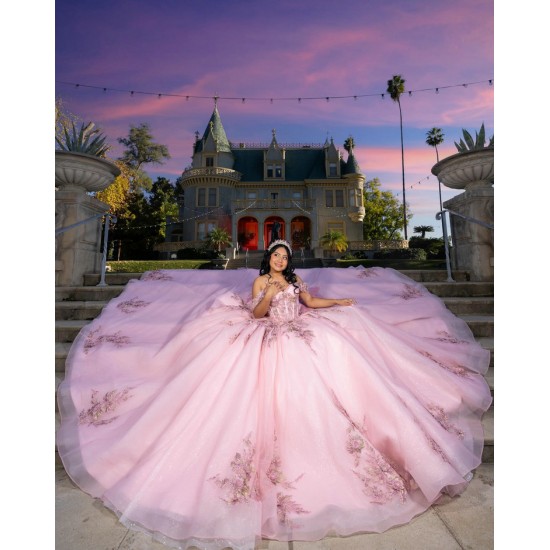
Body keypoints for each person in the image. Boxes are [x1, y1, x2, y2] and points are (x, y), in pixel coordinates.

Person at [57, 239, 492, 550]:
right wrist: (265, 293)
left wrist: (337, 304)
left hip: (300, 328)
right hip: (268, 335)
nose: (281, 259)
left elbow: (309, 306)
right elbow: (257, 313)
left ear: (290, 259)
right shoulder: (261, 282)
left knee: (339, 349)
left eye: (285, 255)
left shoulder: (297, 282)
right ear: (269, 259)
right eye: (276, 255)